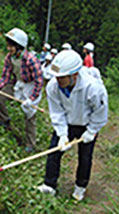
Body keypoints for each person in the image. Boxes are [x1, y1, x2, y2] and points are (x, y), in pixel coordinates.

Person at [37, 50, 108, 201]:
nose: (58, 80)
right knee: (54, 151)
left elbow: (100, 112)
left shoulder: (93, 87)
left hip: (87, 125)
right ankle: (49, 185)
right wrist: (62, 134)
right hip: (67, 123)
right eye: (57, 76)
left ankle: (80, 187)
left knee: (85, 156)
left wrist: (92, 131)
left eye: (62, 77)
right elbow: (57, 112)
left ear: (74, 74)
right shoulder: (53, 87)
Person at [0, 28, 43, 152]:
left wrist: (31, 98)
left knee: (29, 115)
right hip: (18, 83)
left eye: (11, 46)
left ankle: (30, 144)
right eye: (8, 45)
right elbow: (6, 76)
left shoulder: (31, 60)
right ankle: (5, 120)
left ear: (19, 46)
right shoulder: (9, 58)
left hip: (31, 86)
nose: (8, 48)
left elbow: (39, 82)